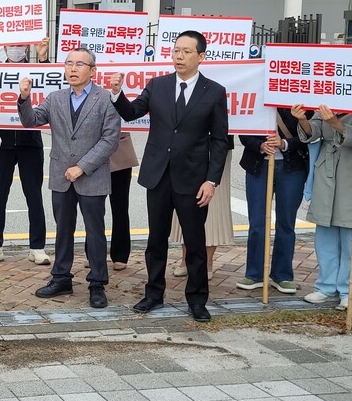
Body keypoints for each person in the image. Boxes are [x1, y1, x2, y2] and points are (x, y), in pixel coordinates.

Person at [109, 30, 228, 323]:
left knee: (195, 242)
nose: (179, 56)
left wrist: (211, 181)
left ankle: (197, 300)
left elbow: (220, 141)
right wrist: (116, 93)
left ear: (201, 57)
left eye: (187, 52)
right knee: (156, 239)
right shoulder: (158, 85)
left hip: (194, 179)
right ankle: (153, 294)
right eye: (176, 50)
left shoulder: (213, 91)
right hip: (158, 176)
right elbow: (132, 112)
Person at [17, 48, 121, 308]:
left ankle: (97, 283)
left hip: (92, 176)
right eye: (69, 64)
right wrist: (24, 98)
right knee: (63, 230)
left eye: (79, 64)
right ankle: (61, 277)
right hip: (61, 175)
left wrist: (82, 167)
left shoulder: (106, 99)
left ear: (93, 70)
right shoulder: (55, 98)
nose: (72, 69)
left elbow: (110, 140)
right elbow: (31, 121)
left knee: (95, 232)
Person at [0, 39, 50, 267]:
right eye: (12, 46)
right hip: (1, 143)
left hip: (30, 141)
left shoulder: (36, 71)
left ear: (27, 48)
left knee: (34, 195)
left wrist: (43, 58)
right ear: (4, 49)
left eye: (21, 46)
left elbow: (50, 88)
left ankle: (37, 246)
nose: (16, 49)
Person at [235, 107, 309, 294]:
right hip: (258, 166)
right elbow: (242, 132)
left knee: (286, 222)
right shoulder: (254, 96)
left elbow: (310, 133)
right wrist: (260, 146)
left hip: (292, 168)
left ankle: (282, 275)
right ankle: (254, 274)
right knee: (257, 222)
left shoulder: (298, 95)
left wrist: (285, 143)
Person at [294, 103, 352, 311]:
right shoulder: (329, 97)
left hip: (351, 169)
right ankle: (327, 286)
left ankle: (350, 290)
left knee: (350, 231)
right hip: (326, 167)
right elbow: (314, 132)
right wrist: (302, 119)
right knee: (325, 228)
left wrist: (336, 124)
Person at [168, 139, 235, 280]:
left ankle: (207, 261)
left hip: (217, 145)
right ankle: (186, 259)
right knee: (185, 200)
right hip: (185, 143)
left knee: (215, 203)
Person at [106, 133, 138, 270]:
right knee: (93, 209)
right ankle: (94, 253)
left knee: (120, 207)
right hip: (90, 150)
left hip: (119, 148)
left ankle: (120, 254)